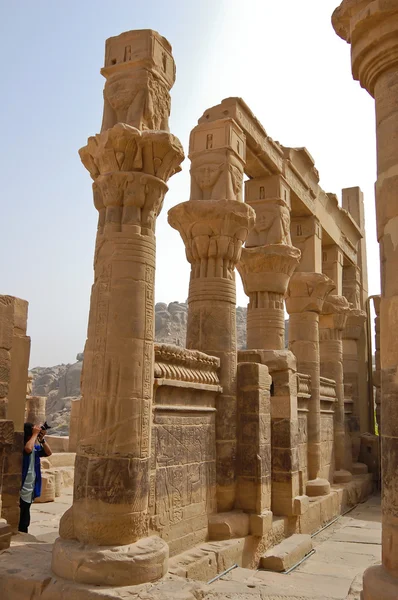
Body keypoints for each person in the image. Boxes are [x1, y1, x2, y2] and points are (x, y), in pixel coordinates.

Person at [19, 422, 52, 533]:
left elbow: (48, 452)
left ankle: (23, 533)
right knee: (20, 516)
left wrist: (42, 439)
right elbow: (28, 449)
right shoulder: (22, 446)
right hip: (21, 487)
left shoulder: (35, 448)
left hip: (30, 488)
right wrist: (34, 435)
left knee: (25, 518)